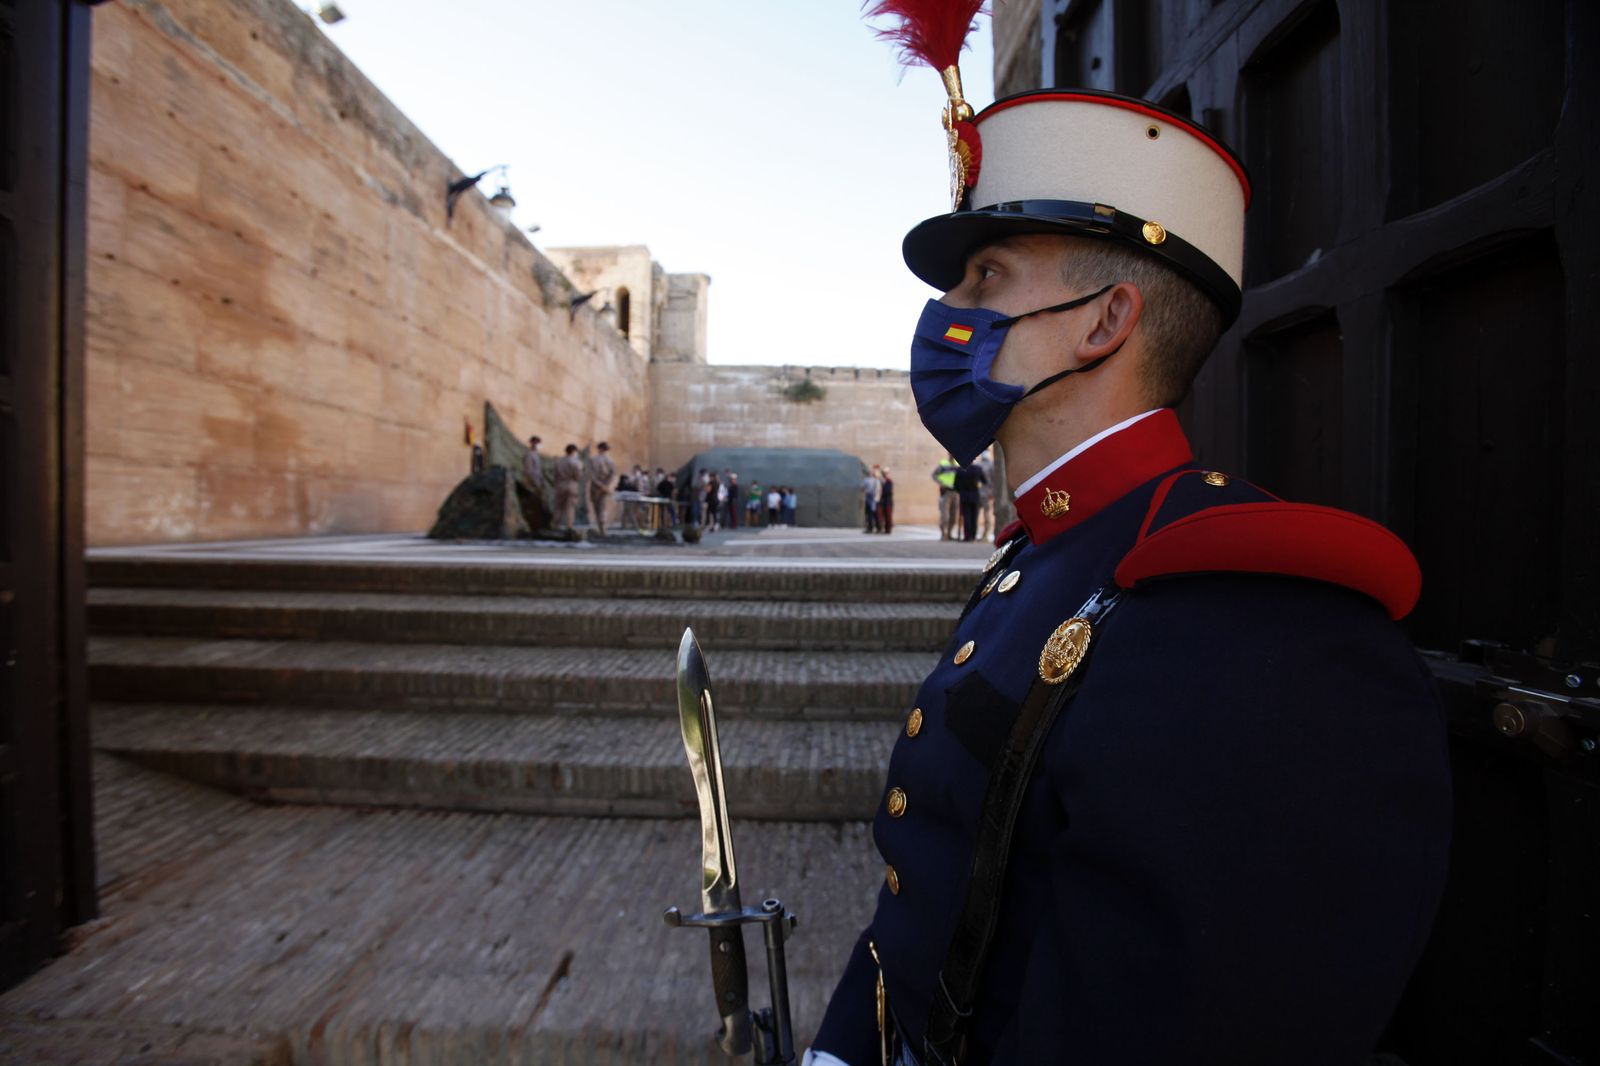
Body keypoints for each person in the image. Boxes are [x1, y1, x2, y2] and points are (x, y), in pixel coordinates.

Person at [808, 75, 1450, 1066]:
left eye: (985, 279)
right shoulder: (1049, 553)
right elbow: (930, 894)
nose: (945, 313)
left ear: (1104, 322)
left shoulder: (1249, 620)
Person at [952, 458, 986, 542]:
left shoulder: (959, 470)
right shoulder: (978, 469)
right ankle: (973, 536)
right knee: (974, 517)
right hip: (975, 495)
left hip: (964, 496)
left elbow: (955, 485)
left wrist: (961, 490)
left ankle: (967, 536)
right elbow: (984, 481)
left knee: (966, 516)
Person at [587, 441, 616, 537]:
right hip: (605, 487)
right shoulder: (611, 460)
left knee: (597, 508)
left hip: (595, 486)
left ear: (599, 449)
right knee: (603, 507)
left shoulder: (593, 460)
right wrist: (606, 485)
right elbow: (613, 475)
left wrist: (599, 485)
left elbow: (591, 475)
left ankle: (601, 527)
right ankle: (602, 528)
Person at [552, 443, 582, 531]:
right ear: (574, 451)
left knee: (558, 506)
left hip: (560, 485)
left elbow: (555, 475)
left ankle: (555, 525)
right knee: (570, 508)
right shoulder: (576, 462)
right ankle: (569, 527)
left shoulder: (558, 462)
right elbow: (578, 476)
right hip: (572, 485)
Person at [932, 455, 959, 539]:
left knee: (953, 515)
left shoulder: (958, 465)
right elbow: (934, 475)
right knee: (945, 515)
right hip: (946, 492)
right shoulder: (944, 464)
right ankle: (943, 534)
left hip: (956, 492)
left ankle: (950, 533)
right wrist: (941, 483)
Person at [975, 451, 995, 542]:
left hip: (987, 493)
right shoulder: (977, 464)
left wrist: (993, 492)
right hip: (977, 493)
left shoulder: (991, 465)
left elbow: (994, 479)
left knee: (987, 514)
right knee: (975, 514)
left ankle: (985, 535)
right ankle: (974, 534)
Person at [862, 466, 881, 533]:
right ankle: (870, 528)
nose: (870, 473)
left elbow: (878, 490)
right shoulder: (866, 479)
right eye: (869, 472)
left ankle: (878, 528)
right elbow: (863, 487)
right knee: (868, 514)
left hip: (874, 499)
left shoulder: (876, 480)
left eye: (871, 472)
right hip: (868, 497)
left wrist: (876, 498)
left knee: (875, 514)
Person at [877, 468, 894, 535]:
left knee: (888, 516)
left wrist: (882, 490)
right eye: (884, 473)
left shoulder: (889, 481)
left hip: (887, 501)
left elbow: (888, 491)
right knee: (881, 515)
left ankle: (888, 529)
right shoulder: (881, 481)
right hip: (882, 500)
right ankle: (882, 528)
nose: (884, 474)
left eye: (886, 473)